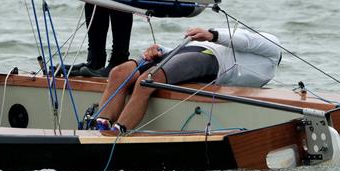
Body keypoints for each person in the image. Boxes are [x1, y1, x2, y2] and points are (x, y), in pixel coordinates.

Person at [94, 27, 281, 134]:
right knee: (119, 73)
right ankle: (100, 125)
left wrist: (212, 35)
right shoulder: (271, 45)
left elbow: (246, 44)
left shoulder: (271, 59)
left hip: (210, 60)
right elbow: (246, 40)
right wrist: (161, 49)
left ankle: (118, 132)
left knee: (147, 80)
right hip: (194, 49)